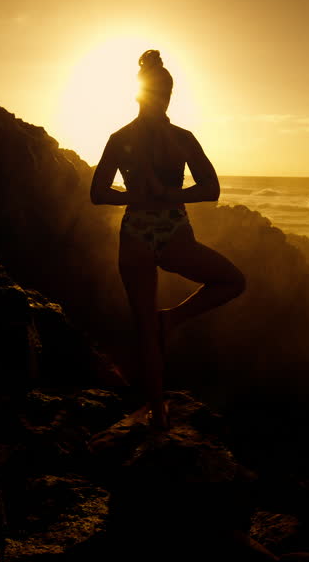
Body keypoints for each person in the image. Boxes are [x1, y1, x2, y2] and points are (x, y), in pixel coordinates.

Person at [90, 49, 246, 430]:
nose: (162, 100)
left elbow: (99, 193)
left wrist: (140, 197)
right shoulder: (177, 137)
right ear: (156, 95)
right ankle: (158, 402)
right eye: (162, 93)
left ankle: (158, 404)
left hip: (139, 233)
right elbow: (209, 189)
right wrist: (165, 196)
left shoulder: (126, 137)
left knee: (153, 322)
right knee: (230, 282)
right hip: (171, 230)